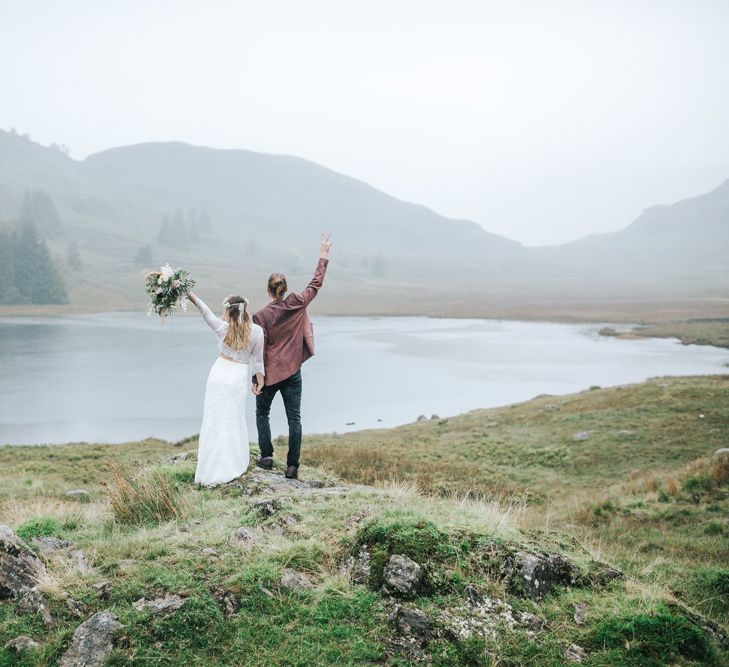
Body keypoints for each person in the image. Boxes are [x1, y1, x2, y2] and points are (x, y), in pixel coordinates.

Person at [253, 234, 332, 479]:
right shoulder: (297, 302)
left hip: (270, 374)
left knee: (262, 414)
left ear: (268, 291)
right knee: (294, 419)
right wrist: (323, 255)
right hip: (293, 372)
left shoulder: (260, 316)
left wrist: (255, 380)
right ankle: (292, 466)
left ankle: (266, 457)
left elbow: (257, 350)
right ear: (285, 289)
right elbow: (315, 284)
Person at [188, 291, 265, 486]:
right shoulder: (256, 332)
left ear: (228, 312)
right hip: (237, 377)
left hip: (218, 374)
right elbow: (258, 361)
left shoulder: (223, 327)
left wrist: (190, 294)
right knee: (232, 418)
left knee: (214, 419)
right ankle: (230, 464)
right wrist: (259, 381)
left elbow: (204, 311)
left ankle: (208, 468)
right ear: (245, 309)